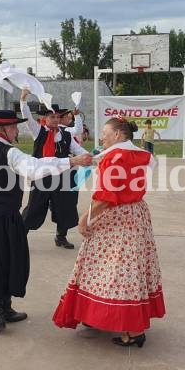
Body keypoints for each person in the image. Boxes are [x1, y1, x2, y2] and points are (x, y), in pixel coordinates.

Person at [0, 110, 92, 333]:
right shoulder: (9, 152)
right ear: (5, 129)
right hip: (2, 215)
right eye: (14, 127)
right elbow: (35, 168)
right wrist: (72, 161)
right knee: (7, 260)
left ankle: (3, 308)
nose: (17, 130)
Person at [53, 117, 165, 347]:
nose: (101, 137)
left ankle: (131, 328)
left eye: (105, 132)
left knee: (111, 269)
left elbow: (106, 196)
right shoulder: (144, 155)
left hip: (115, 218)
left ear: (117, 135)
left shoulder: (114, 157)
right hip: (136, 213)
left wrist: (85, 218)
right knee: (126, 269)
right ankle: (103, 316)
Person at [19, 89, 90, 249]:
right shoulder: (38, 131)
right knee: (34, 208)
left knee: (64, 207)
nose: (56, 119)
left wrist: (90, 157)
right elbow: (27, 117)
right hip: (42, 177)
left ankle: (61, 237)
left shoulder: (66, 134)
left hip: (62, 178)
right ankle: (19, 236)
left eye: (58, 116)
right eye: (52, 116)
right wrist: (23, 99)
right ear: (45, 118)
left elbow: (78, 150)